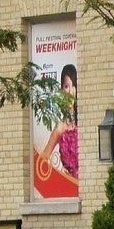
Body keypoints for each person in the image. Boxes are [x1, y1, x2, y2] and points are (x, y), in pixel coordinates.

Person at [33, 64, 80, 198]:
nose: (70, 91)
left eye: (73, 86)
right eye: (66, 86)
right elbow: (43, 158)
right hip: (69, 190)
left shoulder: (84, 124)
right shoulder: (60, 128)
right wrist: (61, 176)